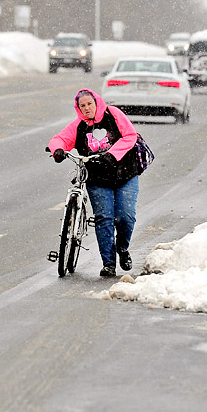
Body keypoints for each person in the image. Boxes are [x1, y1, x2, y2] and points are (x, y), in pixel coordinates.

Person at [48, 88, 142, 278]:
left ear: (97, 102)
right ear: (78, 108)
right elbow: (60, 139)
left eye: (90, 104)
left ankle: (122, 248)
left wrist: (111, 156)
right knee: (104, 218)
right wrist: (57, 150)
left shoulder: (113, 114)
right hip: (98, 178)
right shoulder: (78, 126)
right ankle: (108, 263)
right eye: (82, 106)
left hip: (126, 174)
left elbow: (130, 136)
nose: (87, 108)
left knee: (125, 216)